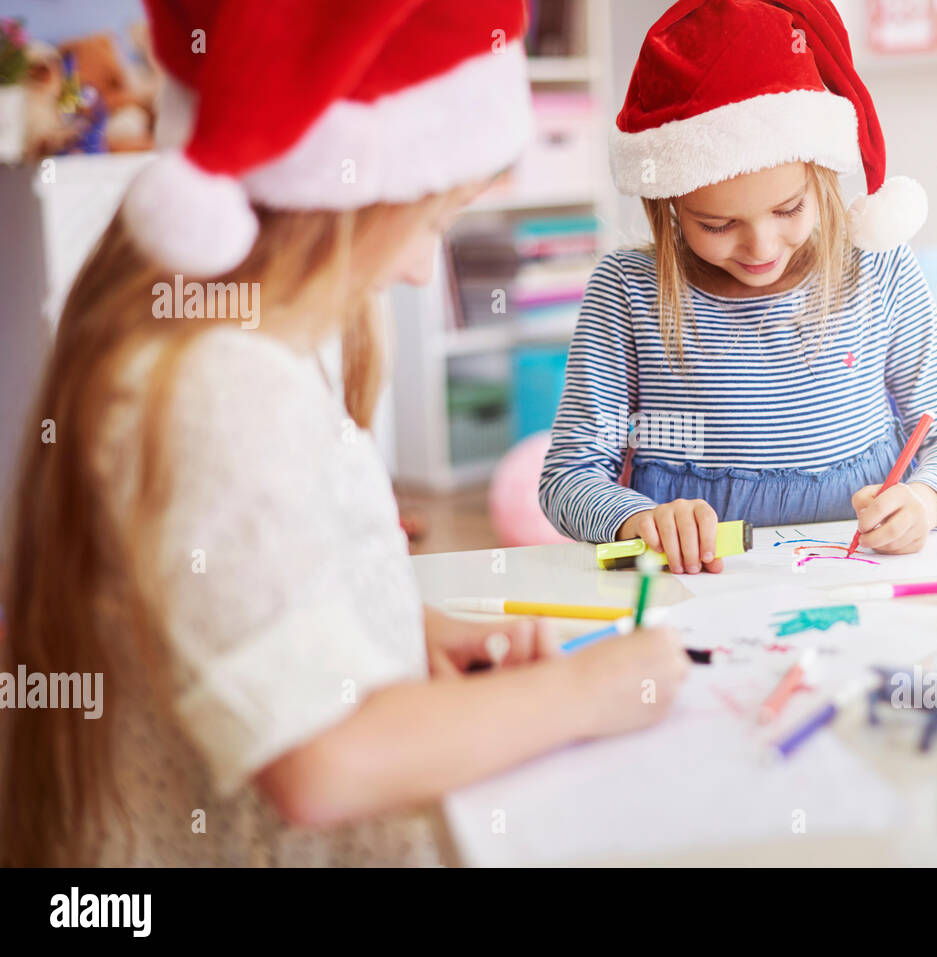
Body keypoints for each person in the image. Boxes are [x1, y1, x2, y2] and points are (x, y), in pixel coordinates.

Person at [0, 0, 686, 867]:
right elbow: (321, 759)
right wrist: (590, 691)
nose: (415, 268)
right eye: (430, 224)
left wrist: (402, 626)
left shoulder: (245, 338)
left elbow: (244, 589)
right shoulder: (222, 382)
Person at [539, 0, 937, 575]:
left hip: (858, 577)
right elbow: (569, 475)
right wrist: (636, 519)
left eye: (788, 208)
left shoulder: (880, 267)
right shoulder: (628, 291)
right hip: (699, 585)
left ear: (821, 175)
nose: (760, 248)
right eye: (717, 225)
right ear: (668, 204)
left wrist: (925, 503)